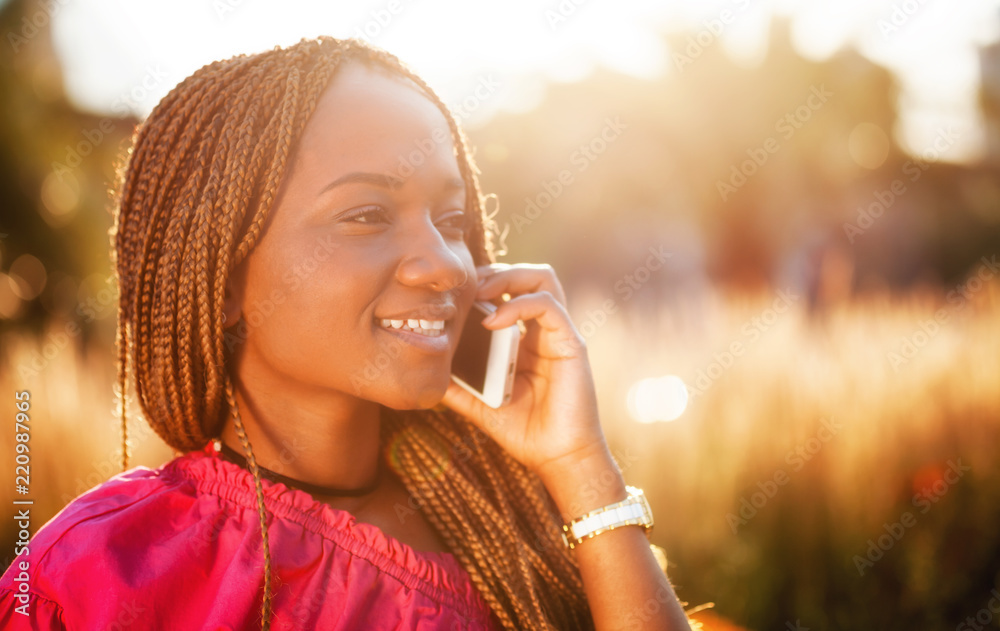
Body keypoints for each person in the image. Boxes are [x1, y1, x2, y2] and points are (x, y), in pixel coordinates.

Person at [0, 36, 695, 630]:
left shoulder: (514, 533)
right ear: (227, 279)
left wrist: (581, 469)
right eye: (365, 215)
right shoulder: (91, 575)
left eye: (451, 222)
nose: (446, 266)